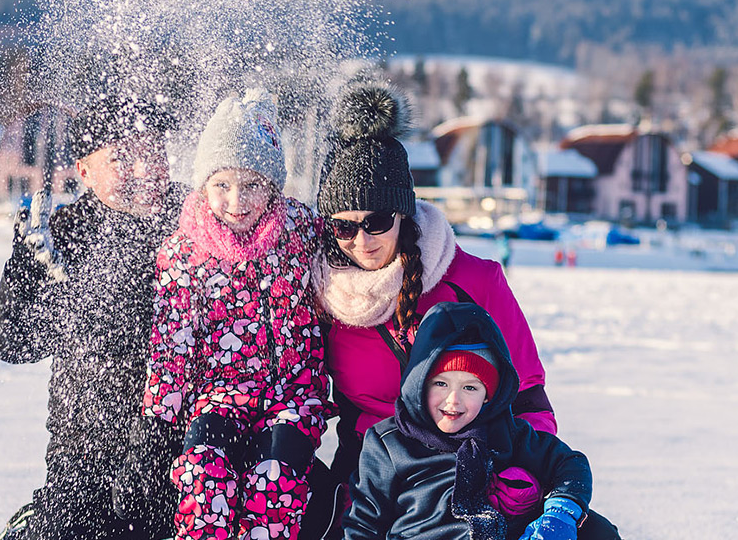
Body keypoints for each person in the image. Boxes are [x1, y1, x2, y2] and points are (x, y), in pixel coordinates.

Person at [313, 83, 618, 539]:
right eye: (344, 226)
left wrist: (524, 476)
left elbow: (529, 392)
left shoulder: (474, 281)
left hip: (484, 456)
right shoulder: (322, 295)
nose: (363, 240)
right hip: (380, 473)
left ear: (403, 213)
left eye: (377, 221)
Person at [0, 96, 187, 540]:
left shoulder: (197, 222)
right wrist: (24, 269)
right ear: (84, 171)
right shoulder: (66, 233)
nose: (140, 171)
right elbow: (9, 342)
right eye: (120, 158)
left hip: (181, 445)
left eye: (151, 152)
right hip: (84, 452)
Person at [134, 88, 333, 540]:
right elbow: (174, 344)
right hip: (219, 395)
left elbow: (354, 261)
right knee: (204, 478)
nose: (236, 200)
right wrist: (158, 419)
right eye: (222, 185)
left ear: (273, 186)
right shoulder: (186, 251)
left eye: (252, 185)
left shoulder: (301, 231)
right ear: (204, 186)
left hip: (293, 397)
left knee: (274, 481)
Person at [344, 302, 593, 540]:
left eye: (470, 388)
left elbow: (571, 465)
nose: (453, 401)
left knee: (599, 531)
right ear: (419, 384)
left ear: (489, 396)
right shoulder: (390, 443)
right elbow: (365, 523)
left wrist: (561, 514)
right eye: (441, 384)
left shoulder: (508, 433)